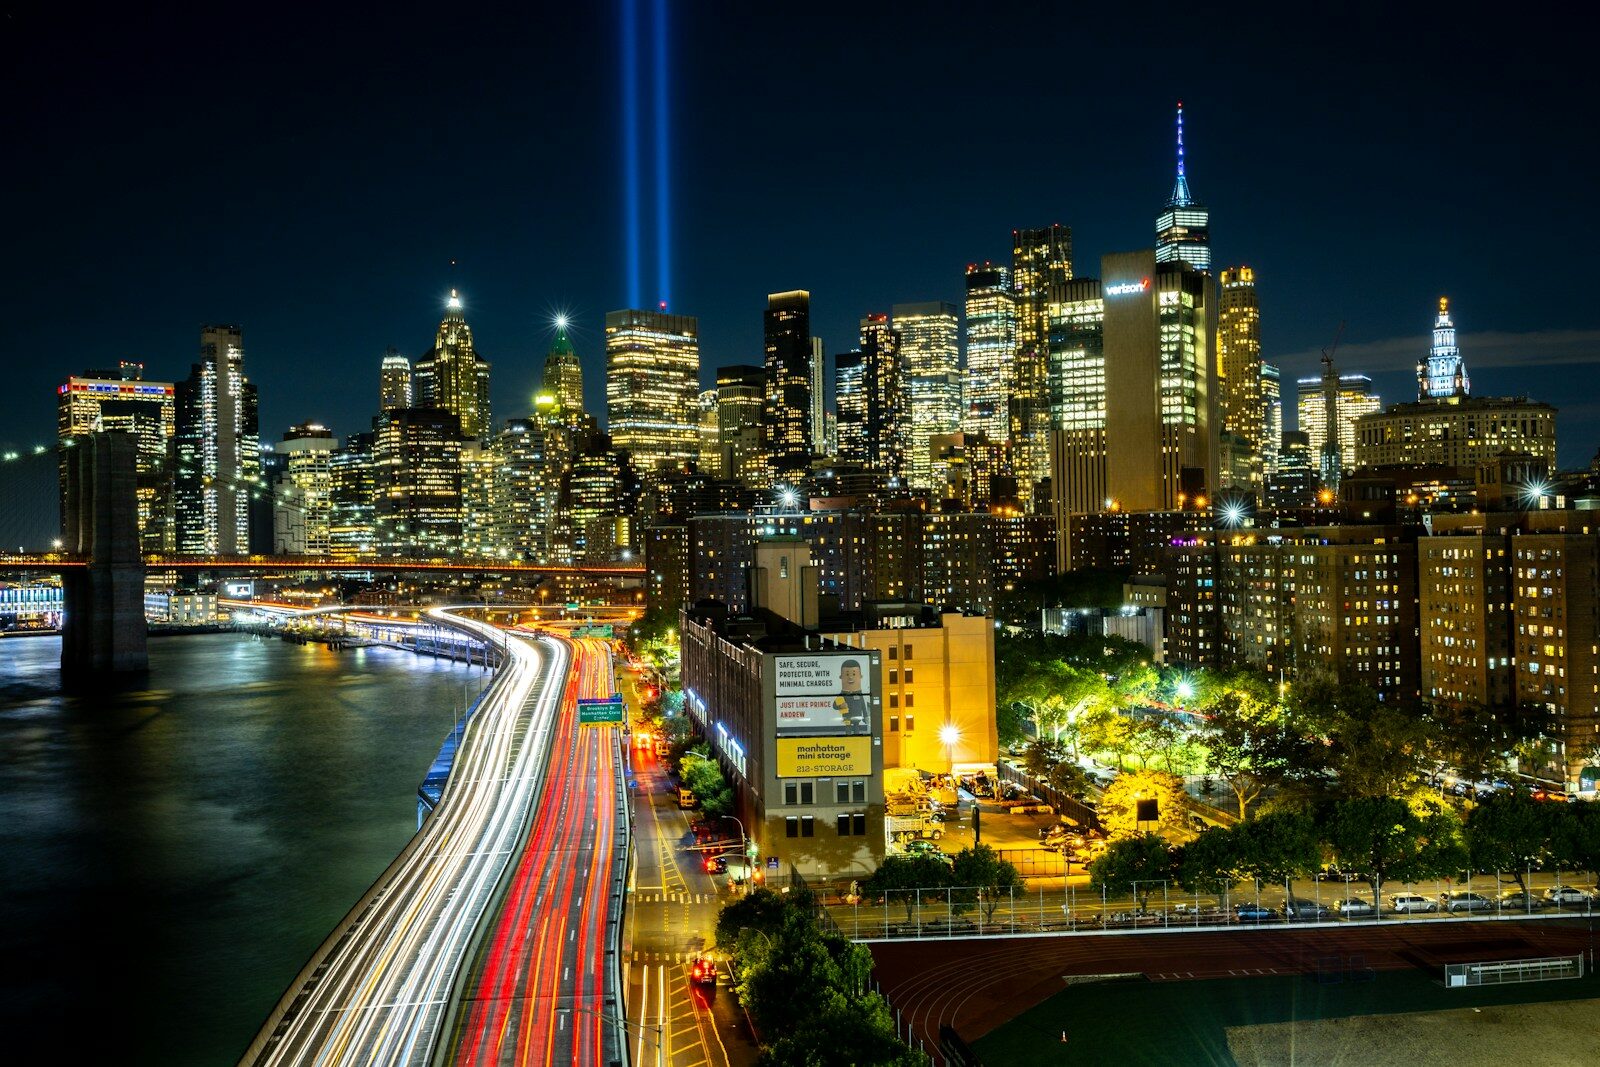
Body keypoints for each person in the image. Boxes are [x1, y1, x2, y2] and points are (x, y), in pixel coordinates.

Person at [832, 659, 869, 730]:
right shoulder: (842, 695)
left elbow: (863, 706)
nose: (850, 677)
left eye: (854, 674)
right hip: (847, 716)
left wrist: (865, 716)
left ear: (860, 676)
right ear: (841, 677)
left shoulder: (859, 694)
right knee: (848, 729)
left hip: (857, 716)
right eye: (847, 674)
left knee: (856, 729)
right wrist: (840, 706)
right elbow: (834, 705)